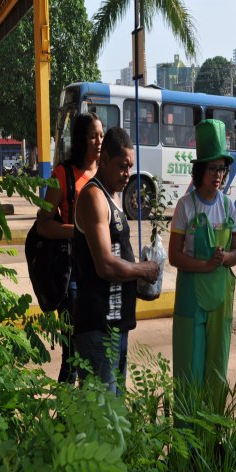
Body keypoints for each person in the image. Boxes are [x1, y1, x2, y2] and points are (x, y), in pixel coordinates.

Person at [72, 127, 159, 394]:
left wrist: (137, 280)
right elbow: (106, 264)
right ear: (104, 159)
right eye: (122, 166)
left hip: (117, 325)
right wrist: (142, 270)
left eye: (130, 166)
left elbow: (120, 254)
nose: (127, 174)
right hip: (97, 327)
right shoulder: (93, 197)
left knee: (114, 416)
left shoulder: (113, 197)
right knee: (102, 419)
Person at [168, 119, 236, 407]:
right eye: (212, 168)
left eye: (221, 169)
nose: (218, 175)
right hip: (190, 301)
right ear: (200, 170)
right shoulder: (185, 206)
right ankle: (185, 444)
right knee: (189, 370)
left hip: (220, 301)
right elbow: (174, 256)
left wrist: (225, 259)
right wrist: (205, 265)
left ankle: (211, 442)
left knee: (216, 370)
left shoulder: (228, 206)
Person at [37, 112, 103, 383]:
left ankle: (87, 417)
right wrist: (76, 232)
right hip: (73, 277)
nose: (99, 141)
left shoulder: (104, 172)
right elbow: (43, 225)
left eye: (101, 135)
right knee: (73, 355)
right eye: (93, 136)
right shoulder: (62, 174)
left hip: (100, 273)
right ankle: (64, 418)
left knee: (95, 352)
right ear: (81, 140)